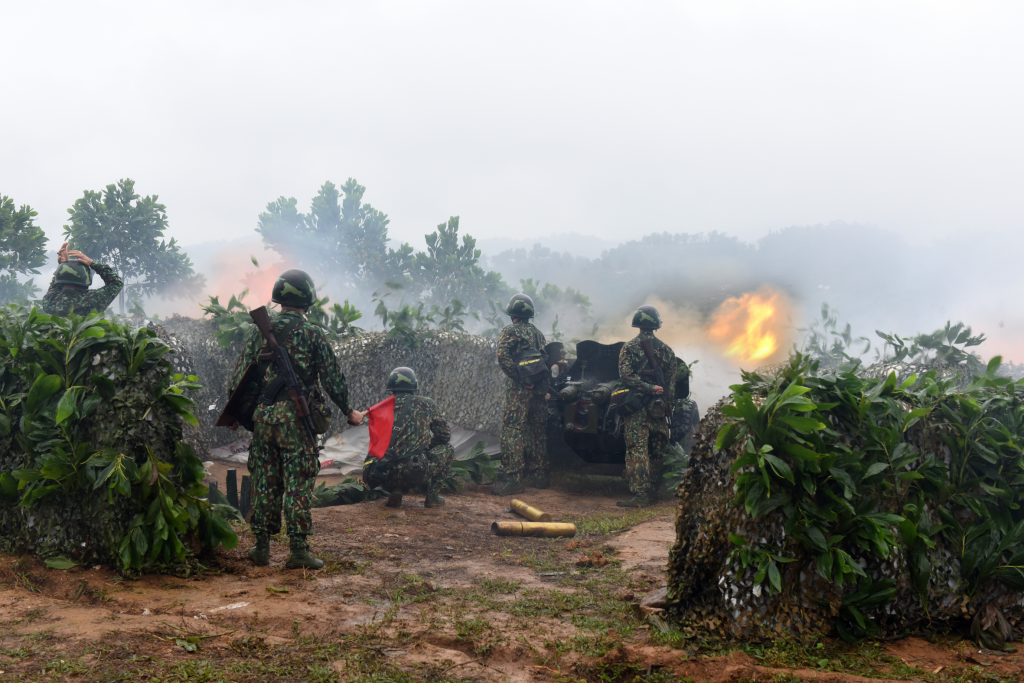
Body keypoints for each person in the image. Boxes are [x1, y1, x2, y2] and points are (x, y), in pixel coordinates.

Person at [227, 269, 364, 570]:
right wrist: (349, 411)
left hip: (264, 420)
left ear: (278, 298)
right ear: (308, 300)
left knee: (265, 483)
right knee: (299, 485)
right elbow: (333, 379)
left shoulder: (260, 332)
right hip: (296, 422)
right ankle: (298, 551)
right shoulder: (313, 334)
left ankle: (260, 548)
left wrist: (237, 413)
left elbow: (240, 376)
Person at [362, 367, 454, 509]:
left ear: (391, 388)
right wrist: (427, 446)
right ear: (413, 386)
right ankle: (432, 497)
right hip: (413, 471)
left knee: (392, 455)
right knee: (447, 449)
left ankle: (396, 490)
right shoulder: (427, 404)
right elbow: (444, 436)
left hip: (383, 474)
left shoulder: (380, 408)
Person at [616, 304, 679, 508]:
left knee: (637, 450)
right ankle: (654, 489)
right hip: (659, 408)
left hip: (637, 409)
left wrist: (647, 387)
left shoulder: (629, 348)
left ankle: (641, 494)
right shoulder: (667, 351)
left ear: (638, 325)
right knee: (657, 448)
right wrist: (663, 398)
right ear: (656, 325)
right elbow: (670, 383)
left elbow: (625, 376)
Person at [493, 293, 549, 495]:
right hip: (539, 389)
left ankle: (514, 478)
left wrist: (520, 379)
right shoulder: (538, 334)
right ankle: (540, 475)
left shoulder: (510, 331)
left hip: (519, 390)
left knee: (512, 430)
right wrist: (535, 383)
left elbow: (502, 356)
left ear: (512, 313)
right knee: (537, 431)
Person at [40, 242, 123, 316]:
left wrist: (63, 266)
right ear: (85, 278)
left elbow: (54, 287)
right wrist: (93, 263)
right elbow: (116, 283)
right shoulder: (94, 299)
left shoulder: (51, 302)